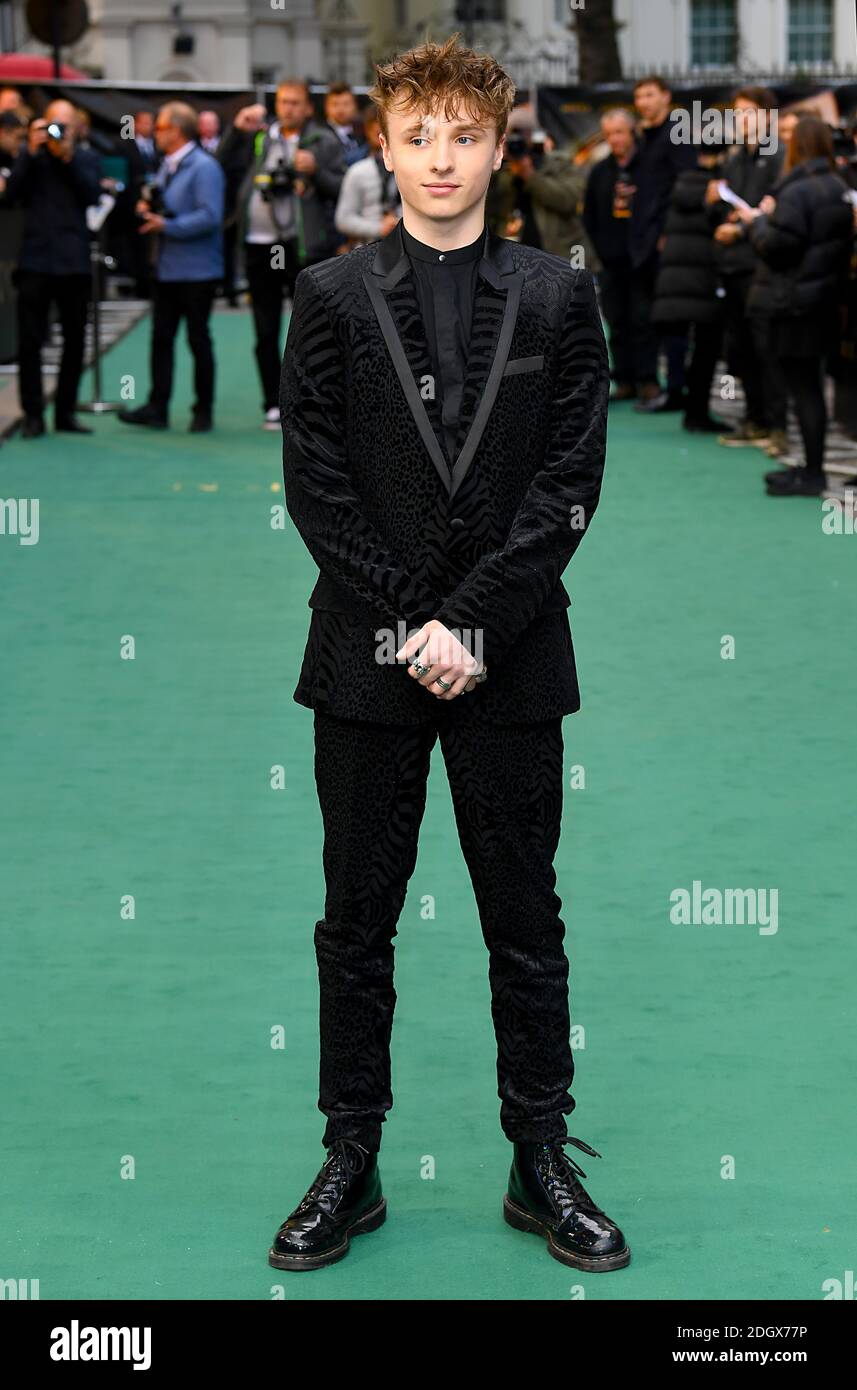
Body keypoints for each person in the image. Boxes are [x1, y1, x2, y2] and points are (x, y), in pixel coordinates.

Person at [273, 32, 629, 1276]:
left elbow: (569, 482)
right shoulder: (323, 298)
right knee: (353, 921)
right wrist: (408, 625)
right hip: (364, 663)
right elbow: (316, 489)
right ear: (382, 144)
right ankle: (349, 1159)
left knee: (523, 916)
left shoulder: (557, 294)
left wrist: (471, 621)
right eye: (416, 134)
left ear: (498, 143)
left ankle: (539, 1158)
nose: (440, 157)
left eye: (462, 135)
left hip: (514, 657)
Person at [217, 81, 345, 429]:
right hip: (260, 244)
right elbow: (221, 165)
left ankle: (312, 402)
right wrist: (235, 131)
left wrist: (315, 171)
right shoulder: (260, 137)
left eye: (296, 103)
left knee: (310, 328)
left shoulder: (322, 141)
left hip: (300, 245)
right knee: (264, 327)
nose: (288, 108)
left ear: (308, 108)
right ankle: (272, 403)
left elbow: (341, 188)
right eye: (283, 102)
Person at [741, 116, 853, 497]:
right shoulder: (838, 186)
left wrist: (758, 222)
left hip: (794, 302)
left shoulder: (798, 191)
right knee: (812, 389)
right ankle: (811, 467)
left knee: (804, 389)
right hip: (823, 301)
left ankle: (812, 472)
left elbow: (777, 247)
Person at [117, 102, 224, 433]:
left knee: (197, 340)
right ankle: (157, 406)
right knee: (161, 339)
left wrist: (166, 225)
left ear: (176, 130)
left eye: (160, 127)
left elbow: (211, 216)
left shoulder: (204, 167)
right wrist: (148, 208)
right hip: (167, 269)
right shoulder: (168, 165)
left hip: (197, 271)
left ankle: (202, 410)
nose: (155, 132)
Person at [3, 100, 101, 437]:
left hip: (73, 263)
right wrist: (30, 152)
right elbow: (10, 196)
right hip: (35, 261)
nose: (56, 132)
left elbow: (91, 196)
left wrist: (67, 158)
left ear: (76, 128)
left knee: (74, 340)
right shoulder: (30, 159)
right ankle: (32, 414)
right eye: (51, 125)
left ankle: (65, 412)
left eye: (64, 126)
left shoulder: (85, 158)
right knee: (30, 340)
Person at [706, 87, 787, 453]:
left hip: (763, 265)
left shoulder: (778, 155)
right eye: (737, 113)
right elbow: (725, 207)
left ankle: (777, 426)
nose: (741, 120)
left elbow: (777, 209)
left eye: (748, 112)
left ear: (767, 116)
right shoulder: (735, 158)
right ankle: (754, 419)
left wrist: (740, 228)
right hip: (733, 264)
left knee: (767, 347)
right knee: (741, 349)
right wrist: (716, 211)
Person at [629, 75, 697, 411]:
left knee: (673, 318)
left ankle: (677, 389)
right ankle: (663, 386)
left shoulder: (677, 135)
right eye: (639, 96)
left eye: (650, 95)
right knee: (654, 316)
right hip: (645, 240)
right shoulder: (645, 138)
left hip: (669, 243)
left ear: (666, 97)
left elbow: (685, 184)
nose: (643, 102)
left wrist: (668, 232)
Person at [651, 140, 729, 433]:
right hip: (706, 280)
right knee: (706, 348)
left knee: (677, 343)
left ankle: (675, 393)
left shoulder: (679, 186)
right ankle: (697, 411)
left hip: (675, 282)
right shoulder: (720, 191)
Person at [583, 108, 642, 401]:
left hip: (643, 258)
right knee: (616, 321)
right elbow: (590, 216)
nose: (614, 139)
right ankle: (625, 379)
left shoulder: (647, 166)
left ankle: (648, 381)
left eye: (619, 132)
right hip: (611, 259)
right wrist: (601, 249)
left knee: (643, 319)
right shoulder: (599, 171)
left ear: (632, 132)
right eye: (608, 135)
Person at [333, 104, 400, 248]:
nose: (379, 133)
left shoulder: (408, 166)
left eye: (384, 129)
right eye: (374, 130)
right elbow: (343, 219)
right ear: (367, 130)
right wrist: (379, 228)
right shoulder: (358, 170)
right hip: (367, 249)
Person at [323, 82, 368, 167]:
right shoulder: (321, 134)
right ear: (326, 107)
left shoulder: (365, 131)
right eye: (335, 104)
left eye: (346, 104)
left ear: (355, 106)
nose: (340, 109)